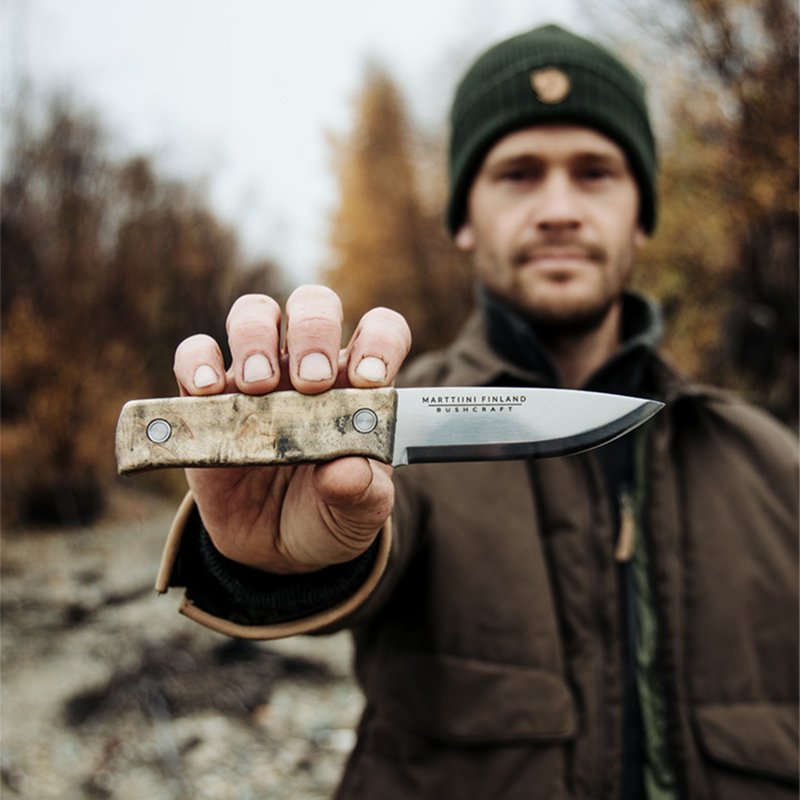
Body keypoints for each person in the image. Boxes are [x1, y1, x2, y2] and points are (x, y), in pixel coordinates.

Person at [160, 24, 798, 800]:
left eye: (595, 172)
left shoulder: (776, 467)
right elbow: (363, 547)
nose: (559, 208)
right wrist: (270, 560)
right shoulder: (384, 431)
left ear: (641, 214)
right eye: (519, 174)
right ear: (463, 217)